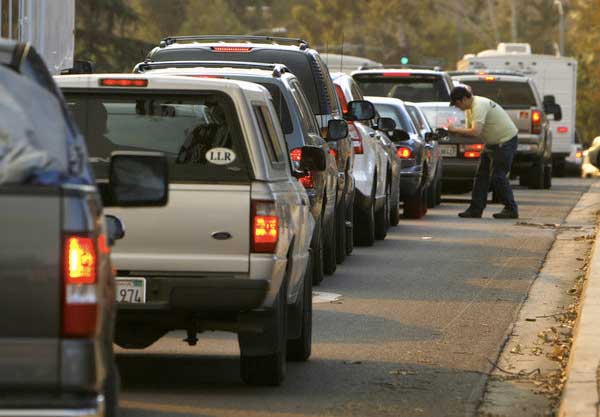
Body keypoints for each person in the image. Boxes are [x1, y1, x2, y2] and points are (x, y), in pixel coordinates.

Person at [448, 86, 519, 219]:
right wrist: (453, 130)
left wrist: (455, 129)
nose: (457, 107)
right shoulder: (470, 108)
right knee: (481, 176)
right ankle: (475, 209)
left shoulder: (479, 106)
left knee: (498, 176)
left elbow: (475, 131)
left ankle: (511, 209)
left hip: (505, 141)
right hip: (492, 143)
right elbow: (470, 129)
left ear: (464, 99)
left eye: (457, 104)